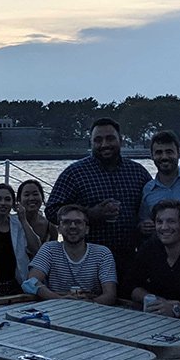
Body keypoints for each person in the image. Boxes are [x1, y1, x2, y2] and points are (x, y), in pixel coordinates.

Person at [45, 117, 151, 283]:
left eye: (110, 138)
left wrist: (145, 223)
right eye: (98, 140)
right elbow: (52, 210)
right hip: (88, 262)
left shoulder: (138, 172)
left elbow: (151, 209)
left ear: (120, 140)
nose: (104, 145)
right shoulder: (75, 173)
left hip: (131, 258)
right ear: (91, 143)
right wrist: (89, 214)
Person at [27, 204, 118, 305]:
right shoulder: (49, 249)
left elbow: (110, 295)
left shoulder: (102, 253)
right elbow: (31, 282)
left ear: (87, 229)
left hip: (94, 310)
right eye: (66, 222)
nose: (73, 226)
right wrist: (58, 299)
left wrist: (86, 304)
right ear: (59, 229)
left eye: (78, 222)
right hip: (56, 308)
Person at [15, 179, 57, 255]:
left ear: (42, 197)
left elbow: (53, 256)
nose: (31, 198)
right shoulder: (12, 223)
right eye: (26, 195)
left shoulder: (50, 227)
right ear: (19, 199)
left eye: (35, 194)